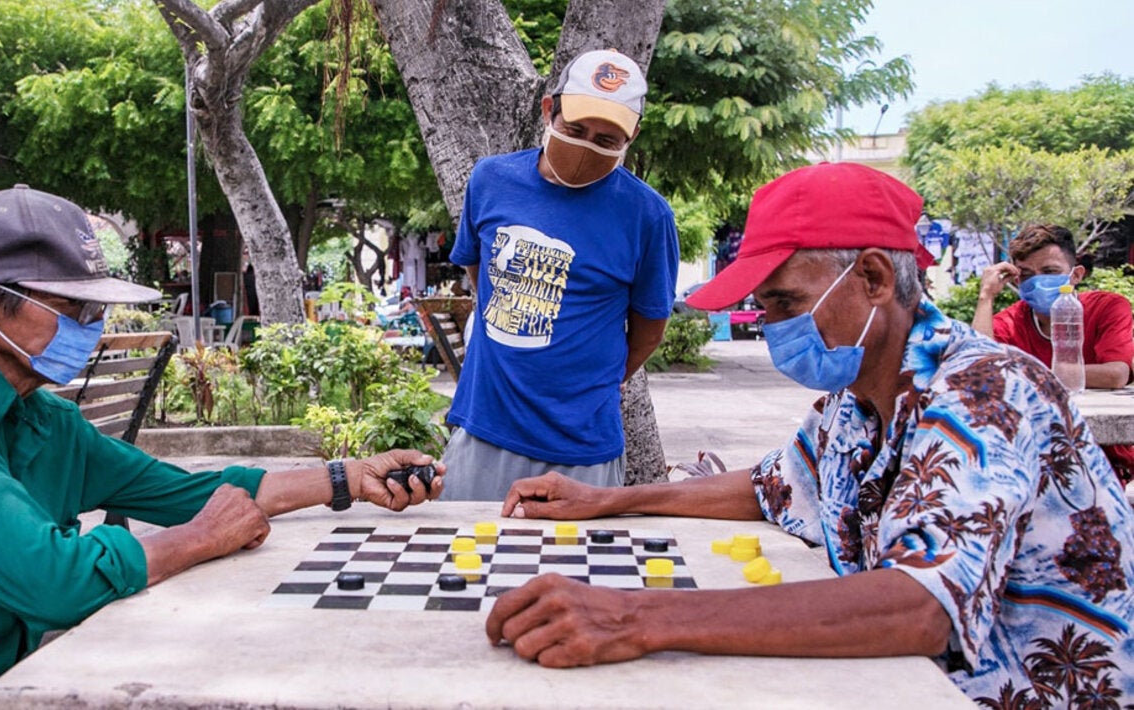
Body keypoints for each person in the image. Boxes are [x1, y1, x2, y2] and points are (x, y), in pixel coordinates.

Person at [0, 185, 444, 709]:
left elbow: (182, 491)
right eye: (77, 310)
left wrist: (347, 478)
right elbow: (52, 583)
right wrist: (196, 540)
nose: (93, 326)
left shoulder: (34, 413)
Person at [484, 163, 1134, 704]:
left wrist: (632, 616)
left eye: (786, 302)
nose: (771, 326)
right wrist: (607, 499)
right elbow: (772, 486)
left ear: (874, 278)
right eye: (764, 306)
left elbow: (920, 606)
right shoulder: (855, 398)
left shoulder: (986, 390)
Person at [442, 48, 679, 500]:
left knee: (573, 552)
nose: (587, 147)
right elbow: (481, 275)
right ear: (549, 109)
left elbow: (649, 332)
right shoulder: (490, 180)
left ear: (632, 136)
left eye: (607, 139)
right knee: (470, 547)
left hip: (582, 450)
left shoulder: (647, 216)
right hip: (483, 430)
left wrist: (585, 385)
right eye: (575, 130)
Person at [972, 224, 1134, 485]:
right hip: (1032, 461)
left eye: (1049, 272)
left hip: (1103, 462)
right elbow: (980, 370)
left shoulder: (1107, 308)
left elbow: (1116, 374)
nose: (1038, 281)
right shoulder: (1009, 322)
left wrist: (1022, 370)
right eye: (1026, 274)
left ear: (1076, 275)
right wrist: (986, 296)